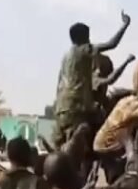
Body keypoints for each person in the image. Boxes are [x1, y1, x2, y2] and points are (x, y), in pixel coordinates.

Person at [53, 11, 131, 149]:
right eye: (88, 37)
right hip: (77, 107)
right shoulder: (84, 49)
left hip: (61, 107)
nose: (90, 40)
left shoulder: (65, 57)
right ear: (83, 37)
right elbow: (112, 44)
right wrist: (125, 25)